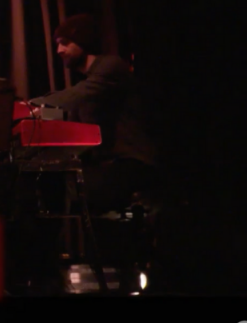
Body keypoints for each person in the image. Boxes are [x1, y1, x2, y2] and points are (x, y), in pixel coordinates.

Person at [29, 13, 159, 213]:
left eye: (65, 43)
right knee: (47, 183)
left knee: (72, 191)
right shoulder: (89, 84)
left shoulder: (111, 67)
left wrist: (28, 107)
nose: (59, 50)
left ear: (83, 41)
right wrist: (34, 118)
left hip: (132, 161)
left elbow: (75, 96)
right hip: (108, 163)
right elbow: (69, 118)